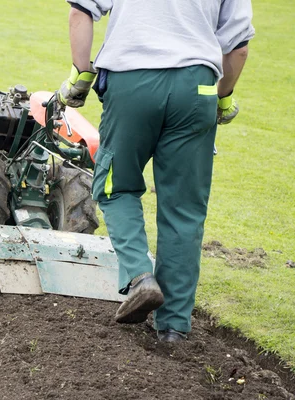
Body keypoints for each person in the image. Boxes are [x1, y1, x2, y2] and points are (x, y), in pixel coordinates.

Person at [57, 0, 254, 343]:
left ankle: (140, 277)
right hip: (197, 89)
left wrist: (81, 74)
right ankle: (174, 328)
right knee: (184, 209)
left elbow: (81, 11)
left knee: (116, 187)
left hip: (131, 82)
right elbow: (238, 48)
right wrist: (222, 98)